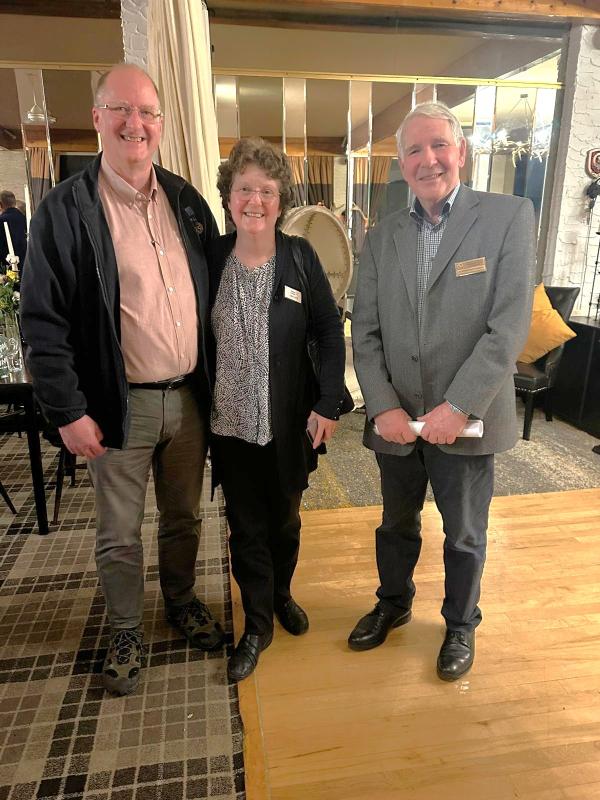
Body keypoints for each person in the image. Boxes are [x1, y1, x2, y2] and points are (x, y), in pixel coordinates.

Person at [20, 64, 223, 696]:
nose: (136, 123)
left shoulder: (186, 202)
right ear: (98, 118)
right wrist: (66, 409)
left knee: (185, 518)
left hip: (189, 398)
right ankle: (127, 629)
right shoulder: (65, 210)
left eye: (147, 112)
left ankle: (181, 601)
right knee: (118, 534)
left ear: (161, 123)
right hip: (118, 403)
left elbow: (217, 292)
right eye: (121, 110)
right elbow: (42, 320)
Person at [348, 102, 535, 681]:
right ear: (401, 163)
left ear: (461, 152)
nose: (428, 159)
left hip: (468, 419)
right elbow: (366, 330)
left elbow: (508, 327)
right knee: (395, 525)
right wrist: (382, 406)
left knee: (465, 534)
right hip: (398, 421)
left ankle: (460, 622)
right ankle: (393, 603)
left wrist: (457, 407)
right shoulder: (383, 237)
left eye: (438, 146)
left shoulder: (507, 217)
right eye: (414, 150)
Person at [208, 138, 346, 682]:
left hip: (289, 423)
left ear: (281, 199)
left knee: (285, 523)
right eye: (245, 189)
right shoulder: (211, 258)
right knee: (246, 529)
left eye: (267, 191)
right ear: (229, 196)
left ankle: (282, 594)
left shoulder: (300, 256)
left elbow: (329, 333)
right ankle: (257, 625)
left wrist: (328, 403)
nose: (255, 201)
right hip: (230, 424)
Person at [0, 190, 27, 271]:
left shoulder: (2, 220)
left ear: (0, 204)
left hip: (7, 264)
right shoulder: (23, 217)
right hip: (25, 261)